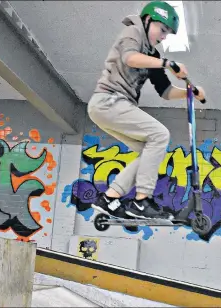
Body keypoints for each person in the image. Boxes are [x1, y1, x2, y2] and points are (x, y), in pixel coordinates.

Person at [87, 1, 206, 220]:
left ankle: (110, 197)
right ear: (148, 20)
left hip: (112, 107)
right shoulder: (133, 31)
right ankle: (141, 201)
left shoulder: (152, 53)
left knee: (150, 150)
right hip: (108, 101)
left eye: (167, 34)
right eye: (162, 30)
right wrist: (167, 63)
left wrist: (190, 92)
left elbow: (166, 91)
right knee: (160, 135)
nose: (163, 37)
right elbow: (129, 58)